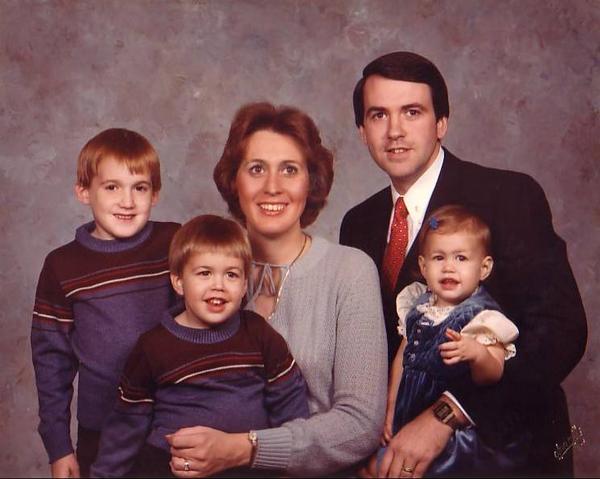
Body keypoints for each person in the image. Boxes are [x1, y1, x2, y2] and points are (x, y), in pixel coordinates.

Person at [340, 51, 587, 477]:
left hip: (503, 453)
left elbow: (562, 331)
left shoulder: (509, 196)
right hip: (397, 461)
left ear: (441, 124)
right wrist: (366, 442)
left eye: (412, 112)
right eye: (378, 115)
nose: (394, 131)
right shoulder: (358, 223)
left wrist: (448, 413)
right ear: (362, 131)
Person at [166, 102, 388, 477]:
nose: (273, 186)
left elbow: (360, 423)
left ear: (311, 183)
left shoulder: (349, 272)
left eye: (289, 169)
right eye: (256, 169)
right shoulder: (198, 269)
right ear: (234, 182)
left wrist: (243, 449)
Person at [90, 214, 309, 477]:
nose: (218, 286)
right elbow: (127, 424)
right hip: (170, 466)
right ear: (179, 282)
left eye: (231, 275)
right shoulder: (153, 346)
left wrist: (295, 462)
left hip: (246, 466)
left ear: (244, 286)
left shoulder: (258, 333)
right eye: (204, 273)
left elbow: (289, 400)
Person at [31, 128, 180, 478]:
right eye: (111, 187)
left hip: (175, 420)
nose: (127, 201)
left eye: (139, 188)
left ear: (154, 194)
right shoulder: (62, 266)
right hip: (102, 428)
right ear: (84, 192)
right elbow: (51, 361)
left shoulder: (174, 242)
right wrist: (58, 446)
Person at [368, 205, 526, 477]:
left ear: (484, 268)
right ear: (423, 266)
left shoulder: (483, 317)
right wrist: (390, 406)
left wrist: (477, 354)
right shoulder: (417, 306)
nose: (449, 267)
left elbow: (493, 373)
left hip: (451, 433)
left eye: (461, 258)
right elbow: (404, 359)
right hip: (406, 416)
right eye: (439, 258)